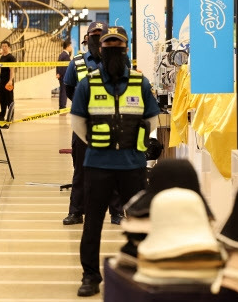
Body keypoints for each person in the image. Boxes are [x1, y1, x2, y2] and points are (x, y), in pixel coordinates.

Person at [70, 26, 160, 297]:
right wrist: (100, 145)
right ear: (101, 50)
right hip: (98, 165)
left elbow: (151, 118)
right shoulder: (89, 83)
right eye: (108, 48)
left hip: (132, 165)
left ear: (125, 51)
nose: (113, 52)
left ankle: (140, 268)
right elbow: (78, 123)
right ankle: (90, 276)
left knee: (141, 222)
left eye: (118, 48)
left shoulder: (139, 82)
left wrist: (137, 145)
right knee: (93, 223)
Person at [62, 22, 124, 227]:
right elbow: (69, 88)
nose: (97, 38)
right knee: (81, 170)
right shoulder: (77, 62)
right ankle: (76, 212)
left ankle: (117, 213)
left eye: (100, 35)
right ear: (87, 38)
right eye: (93, 35)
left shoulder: (121, 61)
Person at [0, 40, 15, 121]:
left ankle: (11, 116)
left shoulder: (11, 57)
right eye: (3, 46)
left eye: (6, 46)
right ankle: (2, 115)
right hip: (1, 80)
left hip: (8, 81)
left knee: (9, 99)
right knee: (2, 99)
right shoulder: (2, 57)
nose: (4, 48)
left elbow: (12, 70)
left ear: (9, 47)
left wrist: (10, 80)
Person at [56, 41, 72, 109]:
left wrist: (58, 73)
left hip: (61, 75)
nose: (71, 48)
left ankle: (61, 105)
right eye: (70, 46)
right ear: (68, 46)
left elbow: (58, 65)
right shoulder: (66, 56)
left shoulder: (61, 54)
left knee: (62, 91)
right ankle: (63, 106)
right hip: (64, 76)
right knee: (64, 91)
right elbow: (64, 68)